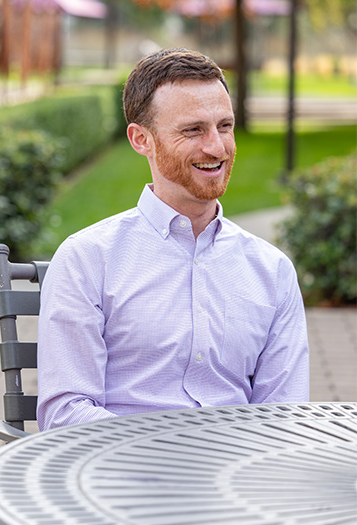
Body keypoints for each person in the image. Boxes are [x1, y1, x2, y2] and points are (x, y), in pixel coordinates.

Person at [36, 48, 309, 431]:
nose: (217, 147)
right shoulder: (88, 259)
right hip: (121, 478)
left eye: (225, 126)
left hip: (237, 480)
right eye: (193, 129)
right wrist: (174, 455)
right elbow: (65, 412)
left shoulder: (272, 270)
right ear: (141, 139)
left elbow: (285, 416)